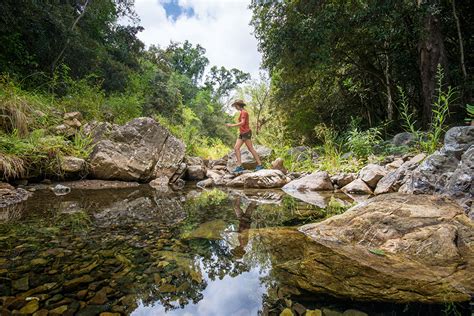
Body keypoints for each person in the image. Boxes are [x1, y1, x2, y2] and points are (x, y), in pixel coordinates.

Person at [225, 99, 263, 173]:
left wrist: (231, 125)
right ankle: (239, 166)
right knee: (236, 148)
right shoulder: (242, 112)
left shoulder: (244, 113)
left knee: (250, 148)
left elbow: (242, 123)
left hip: (246, 133)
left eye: (236, 106)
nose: (235, 107)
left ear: (238, 105)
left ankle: (260, 164)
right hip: (242, 133)